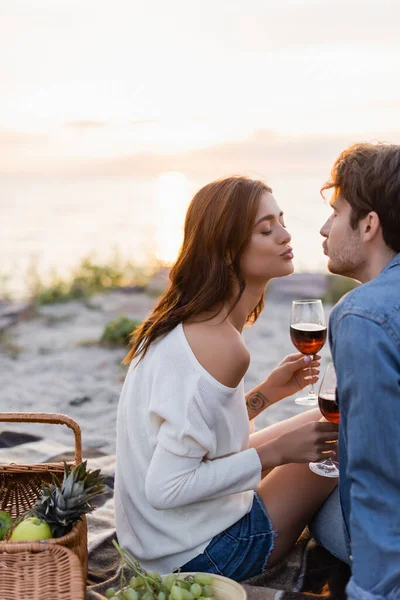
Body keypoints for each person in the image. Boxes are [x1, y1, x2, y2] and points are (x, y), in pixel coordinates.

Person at [114, 176, 338, 580]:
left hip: (158, 542)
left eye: (282, 221)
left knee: (325, 423)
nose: (286, 236)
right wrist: (278, 452)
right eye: (266, 230)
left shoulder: (188, 324)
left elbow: (202, 437)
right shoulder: (220, 345)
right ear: (227, 252)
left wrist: (264, 396)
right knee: (347, 433)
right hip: (202, 554)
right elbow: (166, 487)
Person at [314, 143, 400, 599]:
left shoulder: (362, 315)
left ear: (369, 225)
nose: (324, 228)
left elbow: (376, 478)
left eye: (335, 211)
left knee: (314, 497)